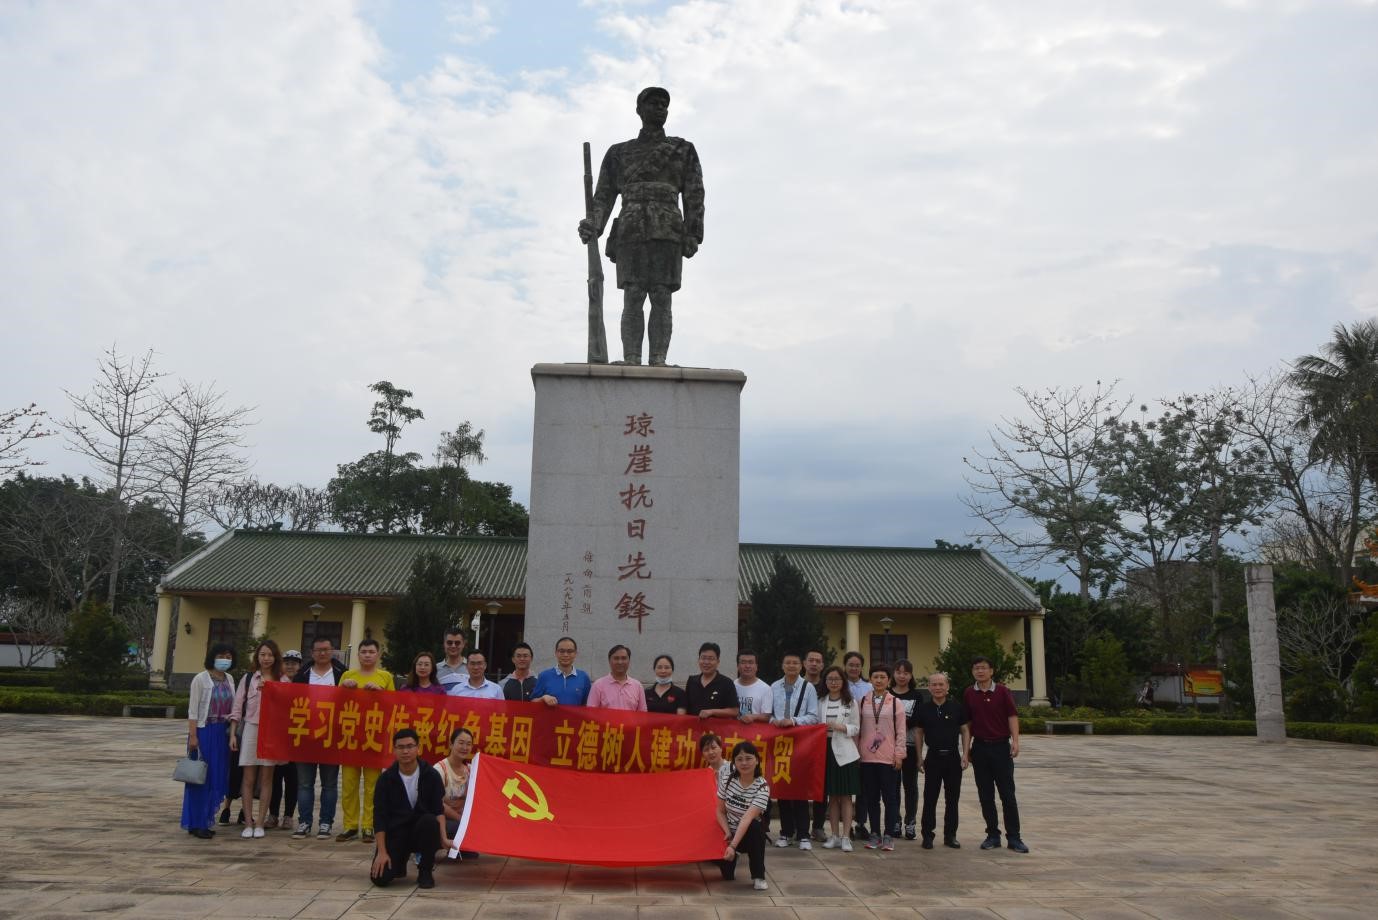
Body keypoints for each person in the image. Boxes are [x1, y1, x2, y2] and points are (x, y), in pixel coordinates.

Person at [578, 86, 705, 367]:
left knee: (661, 296)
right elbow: (603, 197)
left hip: (667, 229)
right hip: (631, 228)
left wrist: (693, 233)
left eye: (664, 104)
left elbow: (695, 194)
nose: (660, 108)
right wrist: (593, 224)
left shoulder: (682, 150)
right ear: (639, 109)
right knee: (633, 296)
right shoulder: (619, 153)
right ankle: (632, 358)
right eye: (653, 103)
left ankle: (658, 359)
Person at [963, 656, 1027, 853]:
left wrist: (1015, 741)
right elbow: (967, 724)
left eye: (983, 668)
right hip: (980, 748)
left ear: (991, 671)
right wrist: (966, 750)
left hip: (1000, 748)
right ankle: (992, 835)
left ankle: (1014, 837)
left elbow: (1012, 716)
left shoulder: (1002, 691)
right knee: (986, 795)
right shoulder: (969, 693)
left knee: (1007, 795)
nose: (980, 671)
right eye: (976, 668)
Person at [369, 729, 446, 889]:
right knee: (380, 879)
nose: (405, 751)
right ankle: (399, 862)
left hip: (421, 830)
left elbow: (438, 810)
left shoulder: (431, 775)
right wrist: (382, 852)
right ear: (394, 750)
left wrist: (444, 838)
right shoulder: (385, 779)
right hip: (396, 832)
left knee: (430, 821)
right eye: (401, 747)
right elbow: (379, 817)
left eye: (410, 746)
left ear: (418, 748)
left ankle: (425, 871)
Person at [337, 638, 395, 843]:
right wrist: (343, 688)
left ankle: (370, 826)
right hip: (350, 738)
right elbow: (335, 703)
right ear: (358, 655)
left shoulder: (385, 677)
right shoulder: (347, 676)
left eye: (371, 652)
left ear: (378, 654)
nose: (367, 655)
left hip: (373, 738)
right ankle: (350, 825)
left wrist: (381, 693)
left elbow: (394, 706)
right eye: (364, 652)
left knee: (373, 786)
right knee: (349, 785)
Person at [229, 639, 288, 839]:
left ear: (276, 657)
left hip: (272, 731)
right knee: (248, 777)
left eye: (270, 655)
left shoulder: (283, 679)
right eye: (263, 654)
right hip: (251, 729)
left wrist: (272, 691)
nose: (266, 658)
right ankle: (248, 822)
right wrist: (233, 734)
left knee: (266, 778)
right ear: (257, 657)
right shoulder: (248, 678)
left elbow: (288, 706)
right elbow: (237, 708)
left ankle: (261, 822)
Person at [182, 642, 236, 839]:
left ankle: (205, 819)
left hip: (222, 733)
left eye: (228, 657)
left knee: (215, 776)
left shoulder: (230, 679)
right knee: (199, 778)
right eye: (221, 656)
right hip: (204, 731)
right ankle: (195, 822)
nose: (225, 660)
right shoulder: (201, 679)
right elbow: (193, 710)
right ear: (212, 657)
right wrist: (193, 736)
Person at [293, 636, 345, 839]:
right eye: (318, 650)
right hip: (306, 736)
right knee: (305, 784)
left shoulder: (342, 673)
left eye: (326, 649)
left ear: (332, 651)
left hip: (332, 737)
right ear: (312, 653)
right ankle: (304, 822)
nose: (322, 653)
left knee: (329, 784)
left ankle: (326, 823)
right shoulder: (302, 675)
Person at [769, 651, 819, 851]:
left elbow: (814, 716)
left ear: (801, 666)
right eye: (787, 663)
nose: (791, 666)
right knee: (782, 789)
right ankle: (786, 832)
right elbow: (769, 713)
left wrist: (794, 721)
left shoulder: (808, 688)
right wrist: (775, 721)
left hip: (801, 744)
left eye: (795, 663)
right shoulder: (774, 686)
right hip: (780, 743)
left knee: (799, 789)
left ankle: (803, 834)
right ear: (782, 666)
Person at [914, 672, 970, 850]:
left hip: (953, 758)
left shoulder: (956, 707)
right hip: (933, 758)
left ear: (947, 687)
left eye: (941, 684)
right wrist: (919, 757)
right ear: (929, 687)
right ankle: (927, 835)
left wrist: (965, 754)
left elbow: (965, 730)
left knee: (952, 799)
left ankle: (950, 835)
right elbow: (918, 733)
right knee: (930, 798)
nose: (937, 688)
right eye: (934, 684)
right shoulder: (923, 708)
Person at [858, 664, 905, 851]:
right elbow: (858, 729)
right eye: (875, 677)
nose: (879, 680)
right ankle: (875, 833)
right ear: (870, 679)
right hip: (867, 757)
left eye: (882, 677)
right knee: (871, 798)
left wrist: (899, 755)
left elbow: (901, 731)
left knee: (890, 798)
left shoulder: (895, 702)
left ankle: (888, 835)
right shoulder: (863, 701)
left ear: (889, 680)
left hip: (888, 757)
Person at [715, 741, 771, 891]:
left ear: (757, 760)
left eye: (748, 758)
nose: (744, 763)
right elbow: (719, 811)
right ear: (734, 762)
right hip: (728, 832)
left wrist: (733, 845)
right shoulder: (727, 779)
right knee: (727, 876)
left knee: (754, 827)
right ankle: (732, 855)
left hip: (748, 833)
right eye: (739, 759)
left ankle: (758, 876)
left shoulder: (762, 787)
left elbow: (747, 818)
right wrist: (727, 832)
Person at [817, 665, 859, 853]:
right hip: (825, 751)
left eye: (837, 679)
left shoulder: (850, 702)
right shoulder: (820, 701)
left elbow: (856, 728)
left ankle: (846, 836)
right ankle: (834, 835)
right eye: (830, 679)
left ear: (843, 682)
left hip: (845, 753)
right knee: (832, 796)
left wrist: (841, 727)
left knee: (846, 796)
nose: (833, 682)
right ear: (825, 682)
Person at [265, 648, 303, 830]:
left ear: (299, 666)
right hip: (278, 737)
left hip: (297, 738)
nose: (290, 666)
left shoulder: (305, 683)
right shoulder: (275, 683)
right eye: (287, 663)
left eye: (294, 663)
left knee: (293, 779)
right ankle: (273, 814)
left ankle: (288, 815)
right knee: (275, 778)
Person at [890, 659, 925, 840]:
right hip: (889, 747)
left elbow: (917, 721)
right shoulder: (887, 693)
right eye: (898, 672)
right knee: (893, 786)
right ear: (893, 674)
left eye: (906, 673)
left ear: (911, 675)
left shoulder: (917, 696)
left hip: (910, 746)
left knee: (910, 786)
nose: (902, 676)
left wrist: (897, 723)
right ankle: (895, 821)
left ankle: (910, 822)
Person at [437, 727, 478, 860]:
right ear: (451, 744)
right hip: (442, 820)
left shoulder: (471, 770)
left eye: (468, 744)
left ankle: (458, 848)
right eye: (461, 743)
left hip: (462, 821)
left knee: (472, 855)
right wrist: (461, 820)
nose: (465, 747)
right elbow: (437, 804)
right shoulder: (439, 770)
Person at [842, 650, 870, 839]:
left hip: (864, 738)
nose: (854, 668)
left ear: (862, 667)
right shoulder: (839, 684)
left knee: (863, 785)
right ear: (845, 666)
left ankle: (861, 822)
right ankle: (845, 825)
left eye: (857, 665)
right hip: (843, 739)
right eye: (850, 665)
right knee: (844, 786)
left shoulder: (869, 687)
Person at [803, 648, 828, 840]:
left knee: (822, 785)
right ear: (804, 663)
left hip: (822, 742)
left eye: (817, 661)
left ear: (822, 665)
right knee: (799, 783)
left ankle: (818, 826)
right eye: (810, 660)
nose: (813, 664)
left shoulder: (827, 686)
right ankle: (800, 825)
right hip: (800, 741)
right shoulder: (798, 685)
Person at [532, 637, 592, 706]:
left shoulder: (583, 677)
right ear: (556, 653)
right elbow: (532, 702)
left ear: (575, 653)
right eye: (561, 651)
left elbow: (587, 704)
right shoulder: (544, 676)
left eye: (570, 651)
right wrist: (543, 698)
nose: (565, 655)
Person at [685, 642, 738, 719]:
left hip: (717, 726)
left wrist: (712, 712)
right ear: (698, 660)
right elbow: (686, 707)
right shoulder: (692, 681)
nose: (706, 662)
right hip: (694, 726)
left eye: (711, 659)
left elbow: (734, 711)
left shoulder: (727, 683)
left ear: (718, 661)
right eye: (703, 658)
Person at [587, 644, 648, 710]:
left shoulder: (638, 686)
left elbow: (642, 713)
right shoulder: (598, 685)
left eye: (624, 658)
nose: (620, 662)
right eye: (616, 658)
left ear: (629, 661)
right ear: (609, 661)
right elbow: (591, 712)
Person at [733, 650, 773, 724]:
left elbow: (767, 716)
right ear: (738, 666)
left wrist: (753, 717)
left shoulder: (766, 689)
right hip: (733, 730)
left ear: (756, 666)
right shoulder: (731, 685)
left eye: (751, 662)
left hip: (755, 730)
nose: (747, 666)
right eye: (743, 662)